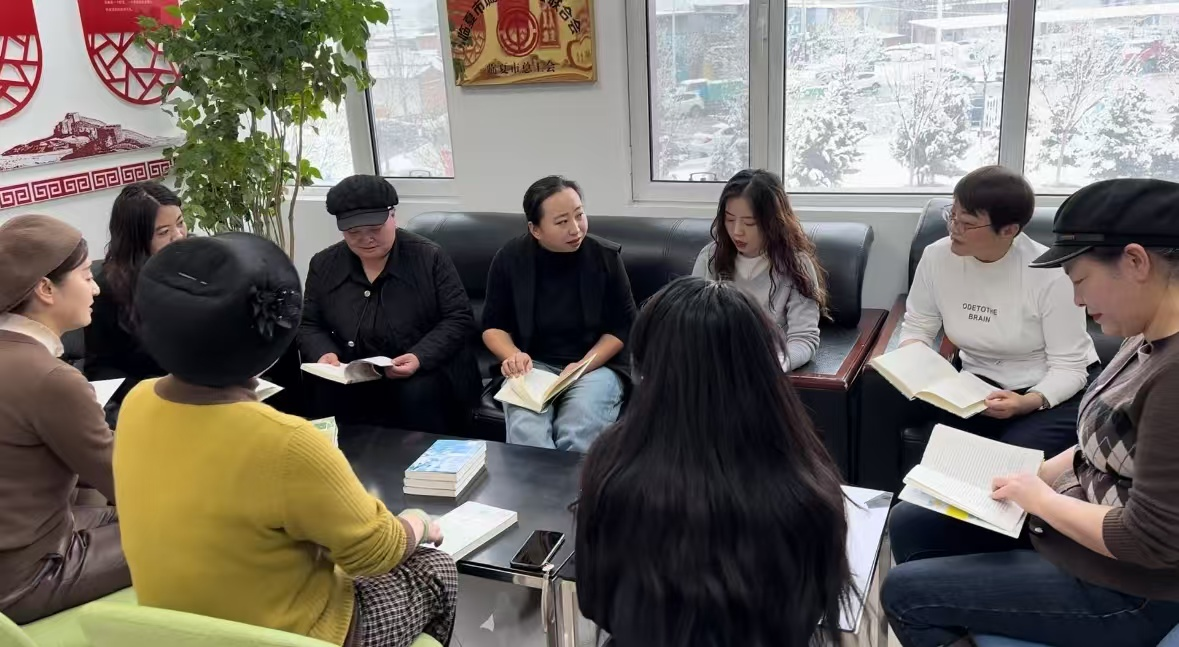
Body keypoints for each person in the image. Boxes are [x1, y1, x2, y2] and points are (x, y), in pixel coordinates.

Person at [114, 232, 458, 647]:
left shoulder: (137, 402)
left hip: (180, 631)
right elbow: (375, 552)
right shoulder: (285, 441)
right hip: (290, 635)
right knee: (435, 567)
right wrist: (418, 522)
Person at [883, 178, 1179, 647]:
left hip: (1127, 586)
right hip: (1075, 527)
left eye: (1079, 280)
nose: (1077, 301)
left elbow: (1150, 540)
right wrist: (1033, 474)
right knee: (910, 520)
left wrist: (1038, 498)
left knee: (904, 593)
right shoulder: (1142, 337)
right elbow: (1101, 447)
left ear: (1135, 262)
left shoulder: (1172, 375)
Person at [576, 276, 851, 646]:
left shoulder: (613, 462)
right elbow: (806, 614)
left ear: (648, 370)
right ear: (764, 367)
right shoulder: (805, 482)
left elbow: (595, 602)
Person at [899, 165, 1098, 456]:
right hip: (975, 386)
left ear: (1008, 231)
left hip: (1049, 389)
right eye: (952, 215)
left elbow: (1070, 367)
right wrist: (914, 362)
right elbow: (918, 326)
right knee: (943, 445)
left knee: (1010, 454)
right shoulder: (936, 257)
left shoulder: (1051, 275)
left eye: (967, 223)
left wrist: (1027, 402)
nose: (953, 228)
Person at [0, 215, 129, 623]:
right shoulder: (51, 378)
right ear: (45, 288)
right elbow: (126, 482)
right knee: (184, 527)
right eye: (86, 276)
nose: (96, 288)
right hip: (25, 576)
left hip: (23, 540)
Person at [300, 174, 480, 433]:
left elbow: (459, 318)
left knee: (417, 393)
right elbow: (309, 324)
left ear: (393, 216)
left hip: (424, 370)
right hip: (355, 372)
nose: (366, 239)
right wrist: (324, 353)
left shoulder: (429, 257)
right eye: (353, 232)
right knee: (323, 389)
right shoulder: (324, 264)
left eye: (375, 229)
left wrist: (419, 356)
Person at [482, 175, 638, 453]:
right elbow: (493, 327)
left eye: (579, 215)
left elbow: (622, 329)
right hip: (532, 366)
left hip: (595, 367)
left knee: (578, 425)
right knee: (527, 428)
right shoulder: (510, 259)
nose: (575, 229)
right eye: (562, 222)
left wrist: (582, 366)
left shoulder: (605, 258)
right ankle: (539, 483)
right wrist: (514, 356)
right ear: (535, 229)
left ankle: (575, 484)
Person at [692, 169, 826, 371]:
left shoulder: (797, 265)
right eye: (729, 219)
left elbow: (804, 339)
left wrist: (770, 367)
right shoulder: (710, 257)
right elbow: (692, 326)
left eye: (749, 223)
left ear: (773, 222)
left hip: (767, 371)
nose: (737, 231)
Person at [84, 182, 187, 422]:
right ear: (136, 238)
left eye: (180, 223)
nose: (179, 236)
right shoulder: (108, 288)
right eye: (163, 232)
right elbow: (100, 370)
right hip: (154, 400)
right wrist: (158, 390)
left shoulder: (199, 262)